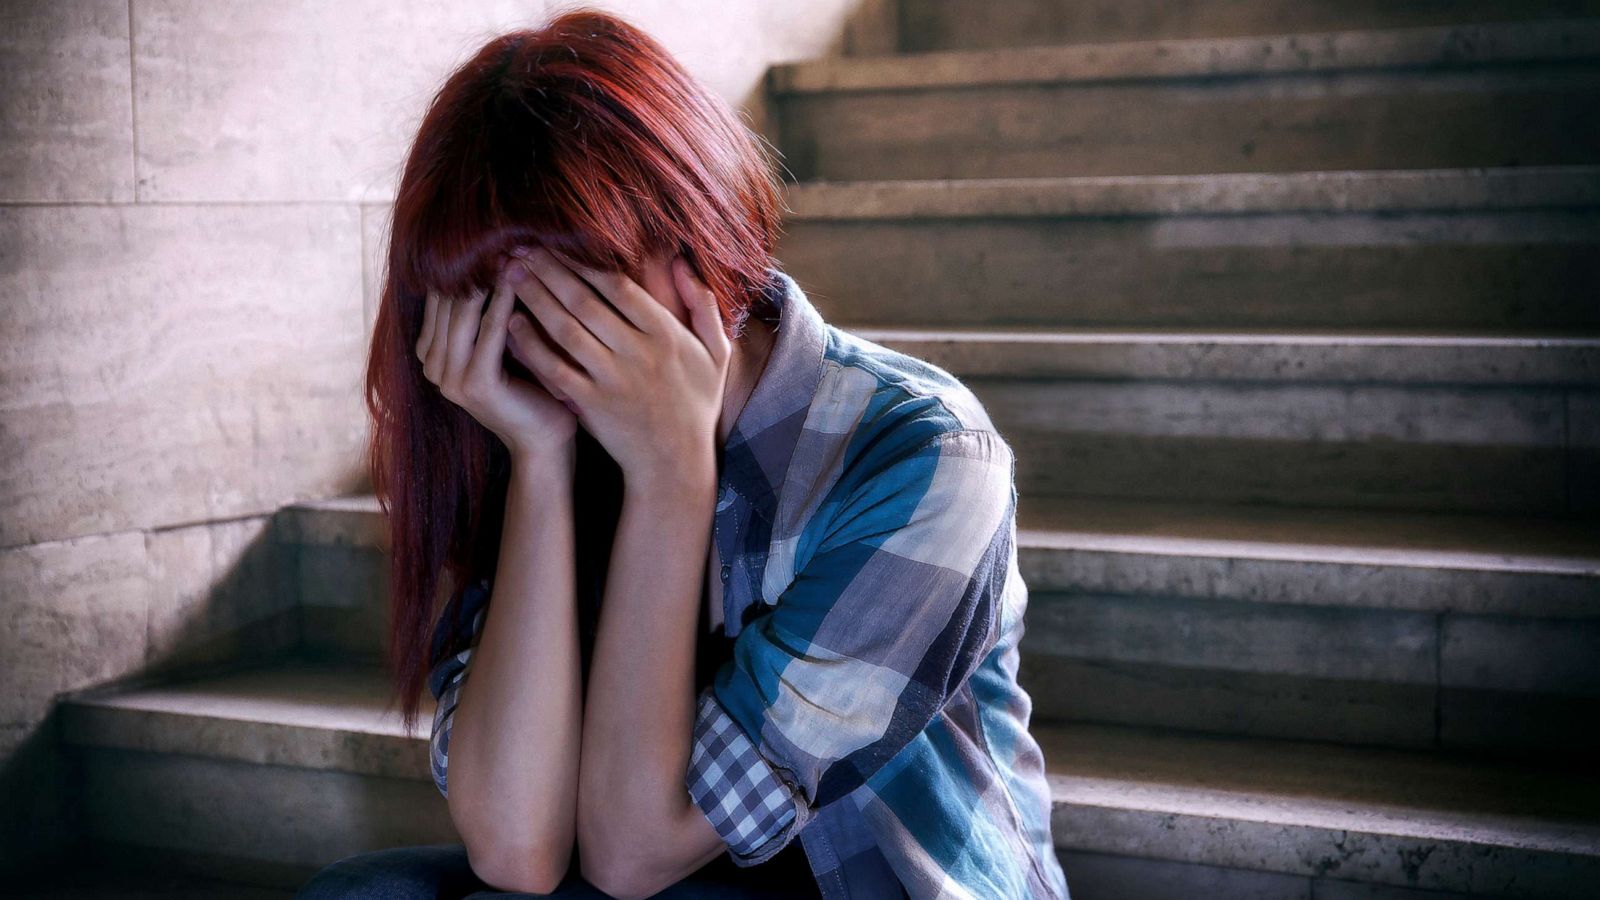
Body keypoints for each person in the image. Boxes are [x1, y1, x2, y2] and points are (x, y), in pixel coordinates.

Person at [299, 6, 1070, 899]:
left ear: (692, 245)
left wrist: (670, 474)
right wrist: (541, 466)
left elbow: (634, 853)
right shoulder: (521, 426)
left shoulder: (926, 456)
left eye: (575, 297)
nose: (536, 344)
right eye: (490, 309)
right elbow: (516, 848)